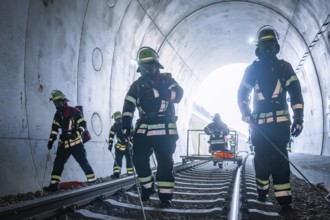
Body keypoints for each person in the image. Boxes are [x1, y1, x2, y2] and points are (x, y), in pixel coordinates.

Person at [237, 25, 304, 212]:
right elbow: (242, 93)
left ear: (276, 47)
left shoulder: (285, 67)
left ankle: (285, 202)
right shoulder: (252, 70)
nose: (268, 49)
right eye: (265, 46)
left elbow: (296, 94)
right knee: (261, 162)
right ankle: (262, 190)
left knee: (281, 162)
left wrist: (299, 118)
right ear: (259, 49)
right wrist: (245, 112)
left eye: (271, 45)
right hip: (259, 129)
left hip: (280, 127)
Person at [122, 46, 183, 208]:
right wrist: (126, 123)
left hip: (164, 127)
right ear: (139, 67)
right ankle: (148, 187)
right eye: (143, 65)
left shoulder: (166, 80)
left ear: (156, 65)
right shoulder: (137, 85)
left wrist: (163, 91)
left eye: (149, 65)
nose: (146, 69)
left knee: (165, 163)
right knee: (138, 159)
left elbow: (179, 94)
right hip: (144, 128)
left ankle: (165, 197)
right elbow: (129, 104)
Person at [43, 90, 96, 192]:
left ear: (63, 101)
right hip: (64, 145)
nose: (56, 104)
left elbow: (83, 125)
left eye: (58, 102)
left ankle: (92, 181)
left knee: (83, 162)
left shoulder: (74, 111)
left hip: (76, 144)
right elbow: (54, 130)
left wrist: (76, 133)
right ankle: (54, 185)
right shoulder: (57, 115)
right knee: (58, 163)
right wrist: (51, 141)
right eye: (54, 102)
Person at [108, 111, 134, 178]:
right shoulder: (114, 126)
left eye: (119, 120)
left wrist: (130, 144)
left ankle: (130, 174)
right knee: (117, 161)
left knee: (129, 161)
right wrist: (110, 145)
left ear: (121, 118)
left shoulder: (128, 125)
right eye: (116, 120)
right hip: (119, 147)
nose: (117, 121)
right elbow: (111, 136)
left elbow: (132, 135)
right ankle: (116, 173)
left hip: (127, 147)